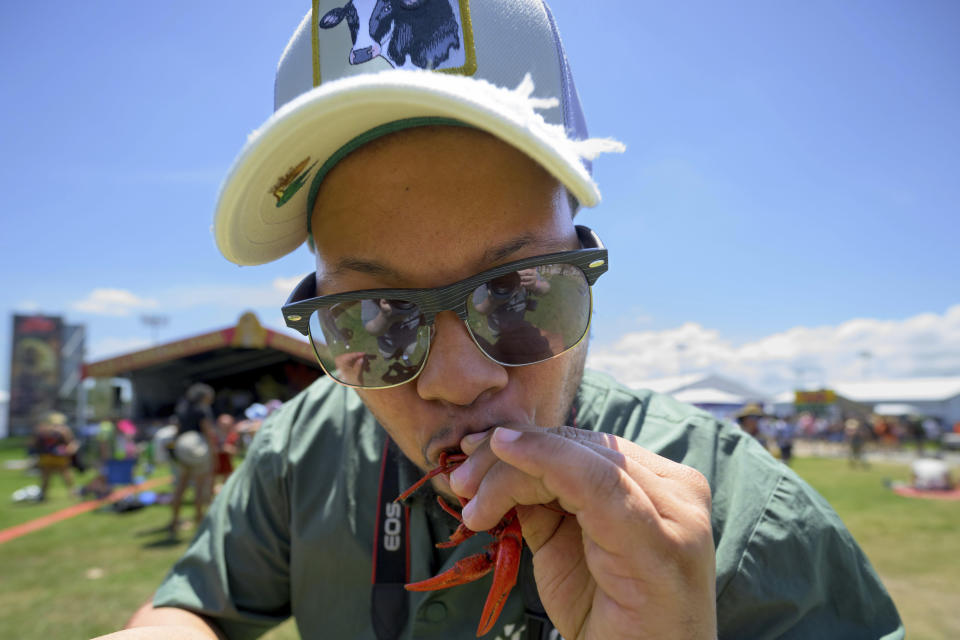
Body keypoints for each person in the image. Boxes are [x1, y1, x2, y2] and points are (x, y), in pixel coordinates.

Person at [109, 2, 903, 639]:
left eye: (520, 292)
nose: (458, 381)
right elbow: (196, 611)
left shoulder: (751, 522)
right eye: (372, 320)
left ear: (588, 265)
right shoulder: (302, 451)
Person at [166, 383, 217, 535]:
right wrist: (214, 453)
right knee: (200, 487)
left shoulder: (182, 409)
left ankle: (174, 520)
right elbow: (208, 432)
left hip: (182, 450)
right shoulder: (202, 410)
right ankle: (199, 520)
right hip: (197, 451)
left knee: (180, 487)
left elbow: (176, 431)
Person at [30, 411, 78, 500]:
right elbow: (36, 443)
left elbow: (71, 443)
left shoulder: (62, 431)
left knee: (64, 474)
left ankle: (71, 492)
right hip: (49, 456)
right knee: (47, 476)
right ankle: (43, 494)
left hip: (57, 456)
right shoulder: (48, 430)